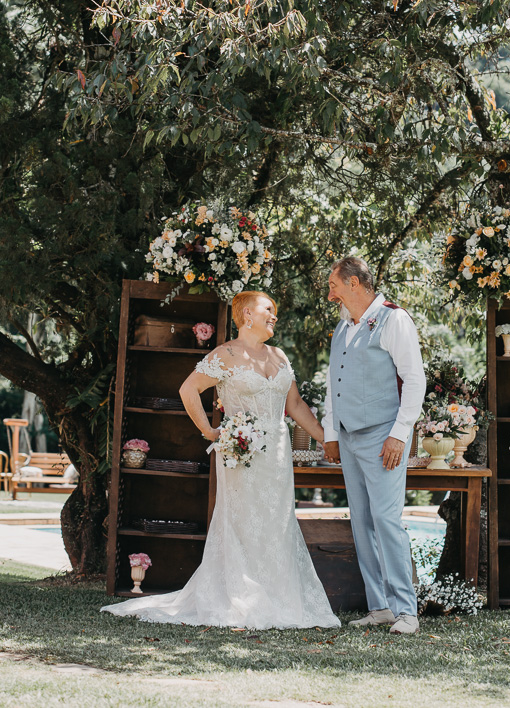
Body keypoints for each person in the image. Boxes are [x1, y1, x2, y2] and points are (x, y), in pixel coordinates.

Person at [102, 291, 340, 630]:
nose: (274, 315)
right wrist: (210, 431)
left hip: (277, 455)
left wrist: (327, 440)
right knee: (242, 524)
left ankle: (278, 598)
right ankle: (241, 597)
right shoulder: (224, 354)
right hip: (241, 454)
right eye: (268, 309)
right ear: (247, 315)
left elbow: (296, 405)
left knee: (277, 523)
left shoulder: (279, 355)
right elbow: (188, 390)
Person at [323, 257, 426, 634]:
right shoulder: (342, 327)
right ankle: (380, 606)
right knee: (362, 520)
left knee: (386, 519)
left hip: (384, 435)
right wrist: (331, 432)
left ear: (354, 283)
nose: (330, 294)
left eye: (333, 285)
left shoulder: (393, 319)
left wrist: (400, 433)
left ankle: (407, 611)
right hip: (349, 435)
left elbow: (414, 379)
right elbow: (333, 381)